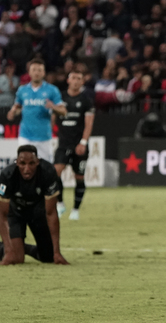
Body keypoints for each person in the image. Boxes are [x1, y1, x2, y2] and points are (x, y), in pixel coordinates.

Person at [0, 145, 69, 266]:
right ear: (17, 162)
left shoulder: (48, 172)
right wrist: (9, 251)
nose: (27, 168)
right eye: (22, 163)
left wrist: (57, 252)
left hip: (38, 213)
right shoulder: (7, 175)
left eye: (31, 163)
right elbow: (2, 215)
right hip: (16, 214)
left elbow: (51, 213)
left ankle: (20, 246)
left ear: (38, 162)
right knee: (15, 258)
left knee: (49, 257)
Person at [54, 68, 95, 221]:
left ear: (82, 82)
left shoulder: (86, 100)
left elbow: (89, 123)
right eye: (74, 78)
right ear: (68, 80)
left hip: (79, 144)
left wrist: (83, 142)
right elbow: (54, 117)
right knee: (55, 172)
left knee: (79, 176)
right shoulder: (60, 98)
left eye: (79, 78)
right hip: (63, 143)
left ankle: (76, 209)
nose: (76, 81)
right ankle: (60, 204)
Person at [6, 59, 67, 162]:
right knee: (24, 166)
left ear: (44, 73)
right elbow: (17, 107)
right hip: (25, 136)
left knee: (44, 169)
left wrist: (53, 107)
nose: (36, 73)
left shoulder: (52, 90)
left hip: (44, 136)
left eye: (39, 70)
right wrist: (13, 113)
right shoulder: (22, 90)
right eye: (34, 70)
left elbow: (64, 112)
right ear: (29, 72)